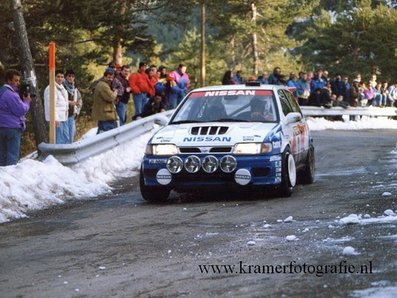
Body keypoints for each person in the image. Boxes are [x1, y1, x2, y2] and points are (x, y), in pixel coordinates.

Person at [0, 69, 31, 166]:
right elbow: (21, 110)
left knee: (2, 154)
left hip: (2, 126)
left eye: (19, 80)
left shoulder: (2, 91)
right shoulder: (11, 95)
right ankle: (11, 177)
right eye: (16, 80)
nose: (18, 83)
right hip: (12, 128)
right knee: (12, 155)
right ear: (9, 81)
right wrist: (27, 101)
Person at [44, 70, 69, 144]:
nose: (60, 79)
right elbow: (50, 105)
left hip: (64, 118)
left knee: (66, 139)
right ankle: (58, 155)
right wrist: (55, 118)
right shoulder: (51, 88)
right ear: (54, 77)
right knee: (59, 141)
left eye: (62, 77)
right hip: (57, 120)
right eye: (58, 76)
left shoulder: (62, 88)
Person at [92, 68, 118, 134]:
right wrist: (115, 92)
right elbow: (111, 97)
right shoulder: (103, 85)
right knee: (108, 134)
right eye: (109, 76)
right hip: (106, 115)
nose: (110, 79)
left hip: (104, 114)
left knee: (101, 134)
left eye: (112, 77)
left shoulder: (103, 84)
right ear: (104, 76)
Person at [63, 69, 82, 143]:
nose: (71, 78)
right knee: (65, 136)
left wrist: (77, 111)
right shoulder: (62, 87)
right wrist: (69, 102)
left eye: (72, 76)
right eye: (69, 76)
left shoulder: (75, 89)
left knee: (71, 134)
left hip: (72, 115)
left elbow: (79, 100)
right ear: (66, 77)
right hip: (63, 115)